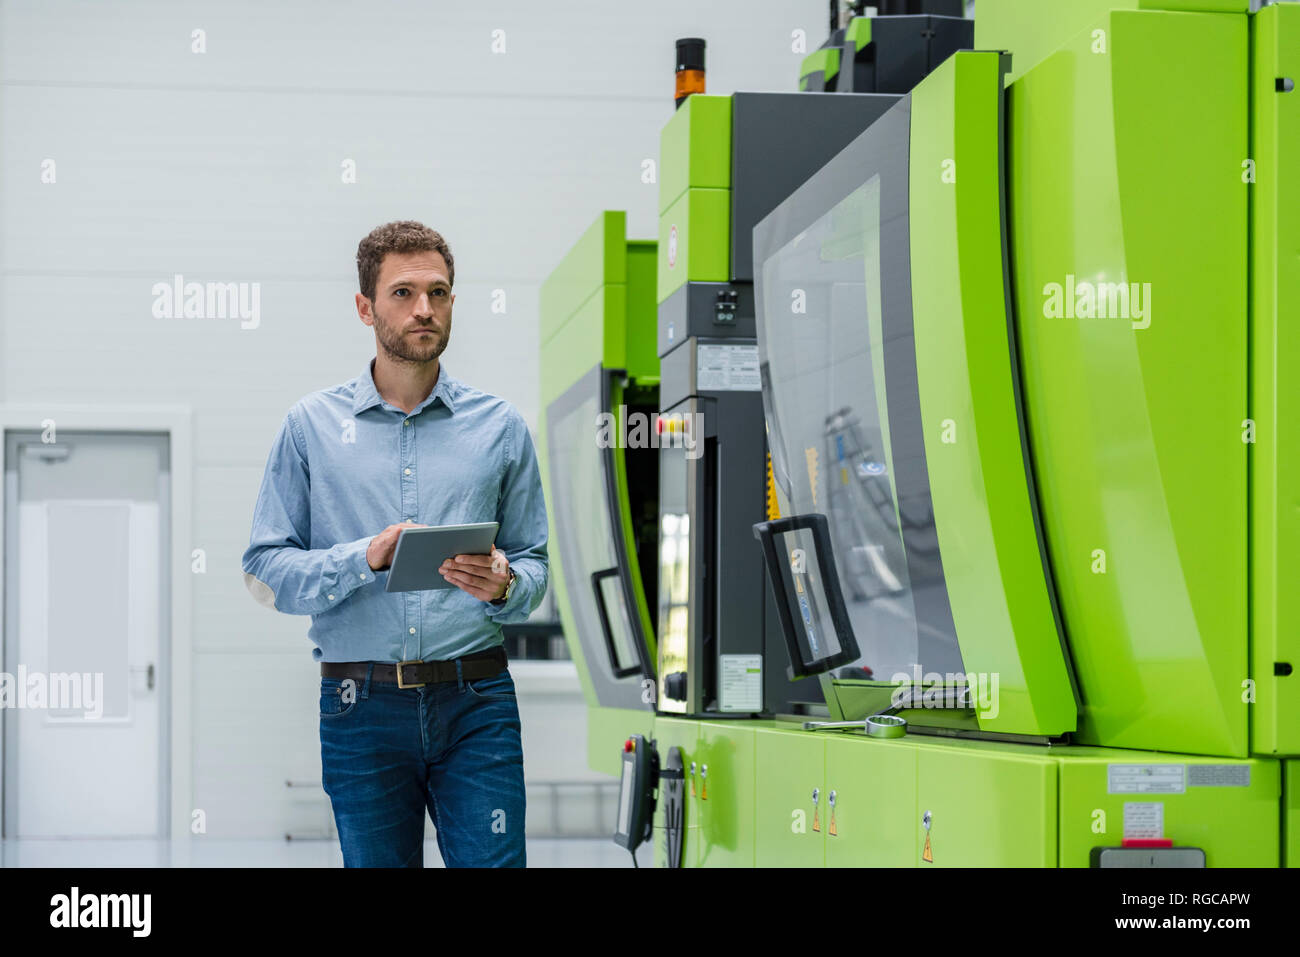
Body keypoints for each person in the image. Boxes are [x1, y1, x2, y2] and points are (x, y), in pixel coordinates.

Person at [240, 220, 548, 867]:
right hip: (361, 708)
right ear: (365, 307)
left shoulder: (501, 428)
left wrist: (507, 584)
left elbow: (535, 565)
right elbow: (265, 571)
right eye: (403, 292)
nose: (424, 309)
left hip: (477, 701)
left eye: (438, 292)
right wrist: (365, 556)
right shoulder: (310, 429)